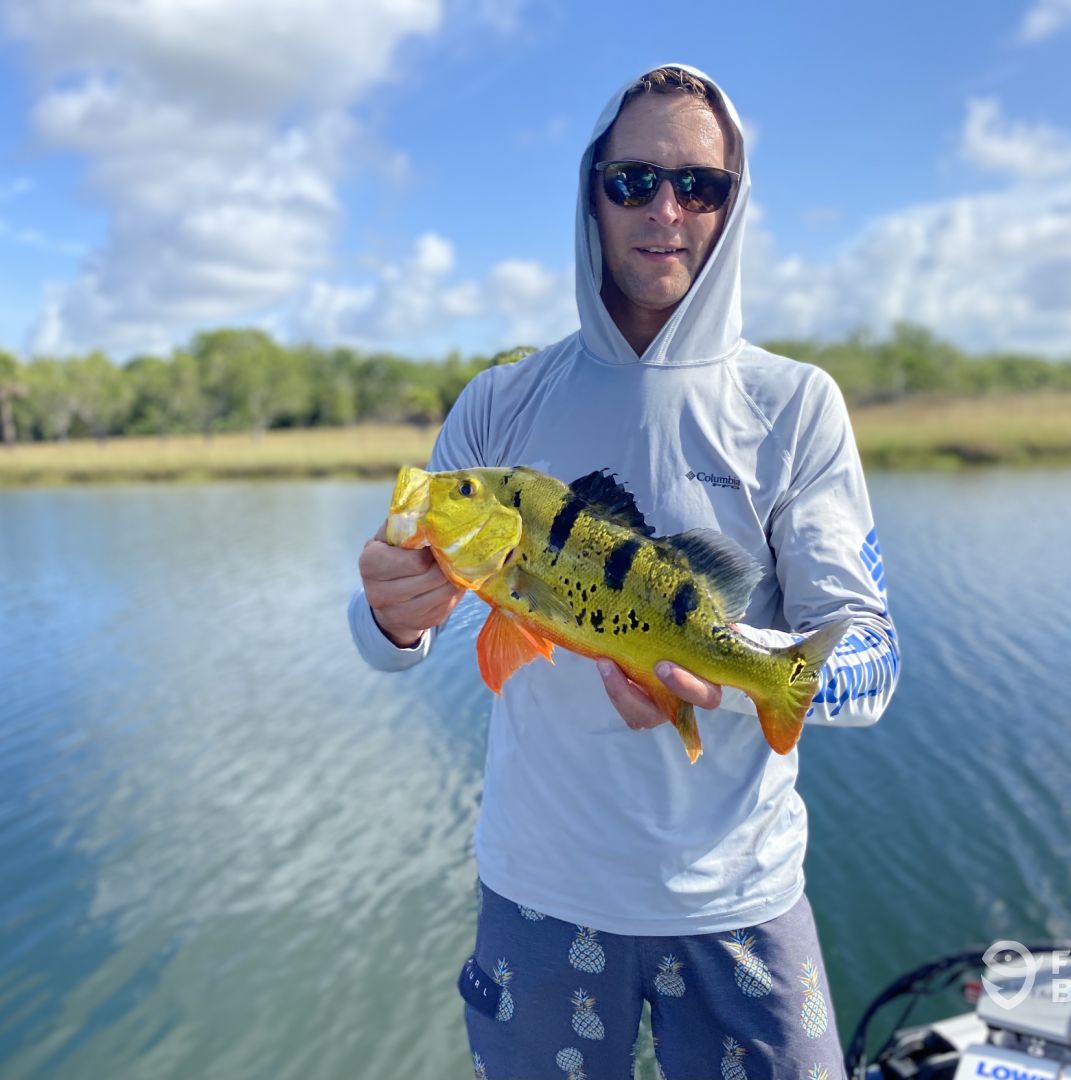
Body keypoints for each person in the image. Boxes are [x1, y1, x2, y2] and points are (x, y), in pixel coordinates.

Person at [350, 63, 899, 1080]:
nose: (665, 210)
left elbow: (871, 659)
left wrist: (727, 671)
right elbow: (397, 639)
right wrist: (389, 615)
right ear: (590, 194)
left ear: (733, 204)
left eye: (700, 186)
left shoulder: (796, 405)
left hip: (741, 899)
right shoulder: (500, 403)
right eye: (633, 180)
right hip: (536, 890)